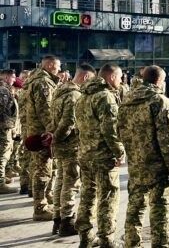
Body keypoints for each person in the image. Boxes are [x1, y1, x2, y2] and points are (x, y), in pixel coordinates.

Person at [119, 65, 169, 247]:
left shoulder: (127, 101)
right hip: (157, 167)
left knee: (135, 208)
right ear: (159, 81)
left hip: (136, 164)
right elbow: (167, 138)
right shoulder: (160, 102)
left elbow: (119, 130)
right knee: (159, 210)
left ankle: (132, 243)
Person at [75, 64, 126, 247]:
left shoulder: (83, 96)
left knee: (87, 196)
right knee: (108, 198)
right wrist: (120, 152)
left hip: (85, 154)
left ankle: (85, 237)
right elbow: (110, 130)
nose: (121, 81)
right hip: (103, 157)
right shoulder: (105, 97)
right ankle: (106, 239)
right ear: (111, 77)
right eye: (120, 77)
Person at [49, 64, 95, 237]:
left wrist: (54, 138)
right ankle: (67, 221)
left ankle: (57, 218)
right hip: (71, 145)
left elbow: (54, 118)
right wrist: (58, 138)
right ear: (84, 78)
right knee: (70, 183)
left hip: (60, 145)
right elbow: (68, 122)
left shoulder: (60, 90)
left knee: (60, 180)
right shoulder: (75, 95)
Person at [25, 55, 61, 221]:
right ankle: (40, 208)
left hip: (37, 131)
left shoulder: (37, 79)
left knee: (44, 168)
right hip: (42, 133)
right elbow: (45, 110)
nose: (59, 70)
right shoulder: (42, 82)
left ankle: (45, 198)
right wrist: (54, 131)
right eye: (58, 66)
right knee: (42, 171)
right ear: (50, 65)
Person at [0, 69, 18, 195]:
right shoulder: (3, 90)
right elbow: (2, 110)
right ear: (6, 77)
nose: (15, 80)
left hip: (5, 126)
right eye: (13, 77)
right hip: (3, 128)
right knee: (2, 155)